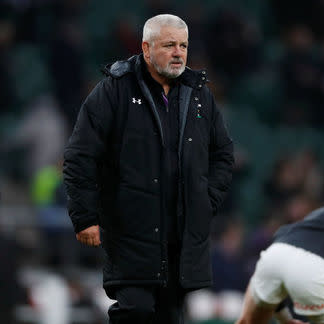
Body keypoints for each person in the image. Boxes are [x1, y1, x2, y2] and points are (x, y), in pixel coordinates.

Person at [63, 14, 234, 324]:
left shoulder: (199, 94)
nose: (179, 53)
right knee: (135, 309)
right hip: (131, 230)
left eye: (183, 45)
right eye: (169, 45)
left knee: (170, 316)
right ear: (145, 47)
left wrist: (205, 200)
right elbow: (80, 156)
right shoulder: (113, 90)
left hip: (181, 234)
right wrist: (85, 216)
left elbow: (222, 153)